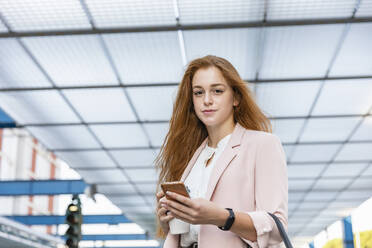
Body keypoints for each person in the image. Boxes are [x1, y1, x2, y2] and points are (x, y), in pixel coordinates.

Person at [155, 55, 288, 248]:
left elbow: (276, 228)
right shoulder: (193, 155)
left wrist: (222, 217)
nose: (207, 100)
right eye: (198, 93)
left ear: (236, 98)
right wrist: (168, 220)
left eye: (217, 91)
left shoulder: (263, 144)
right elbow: (194, 233)